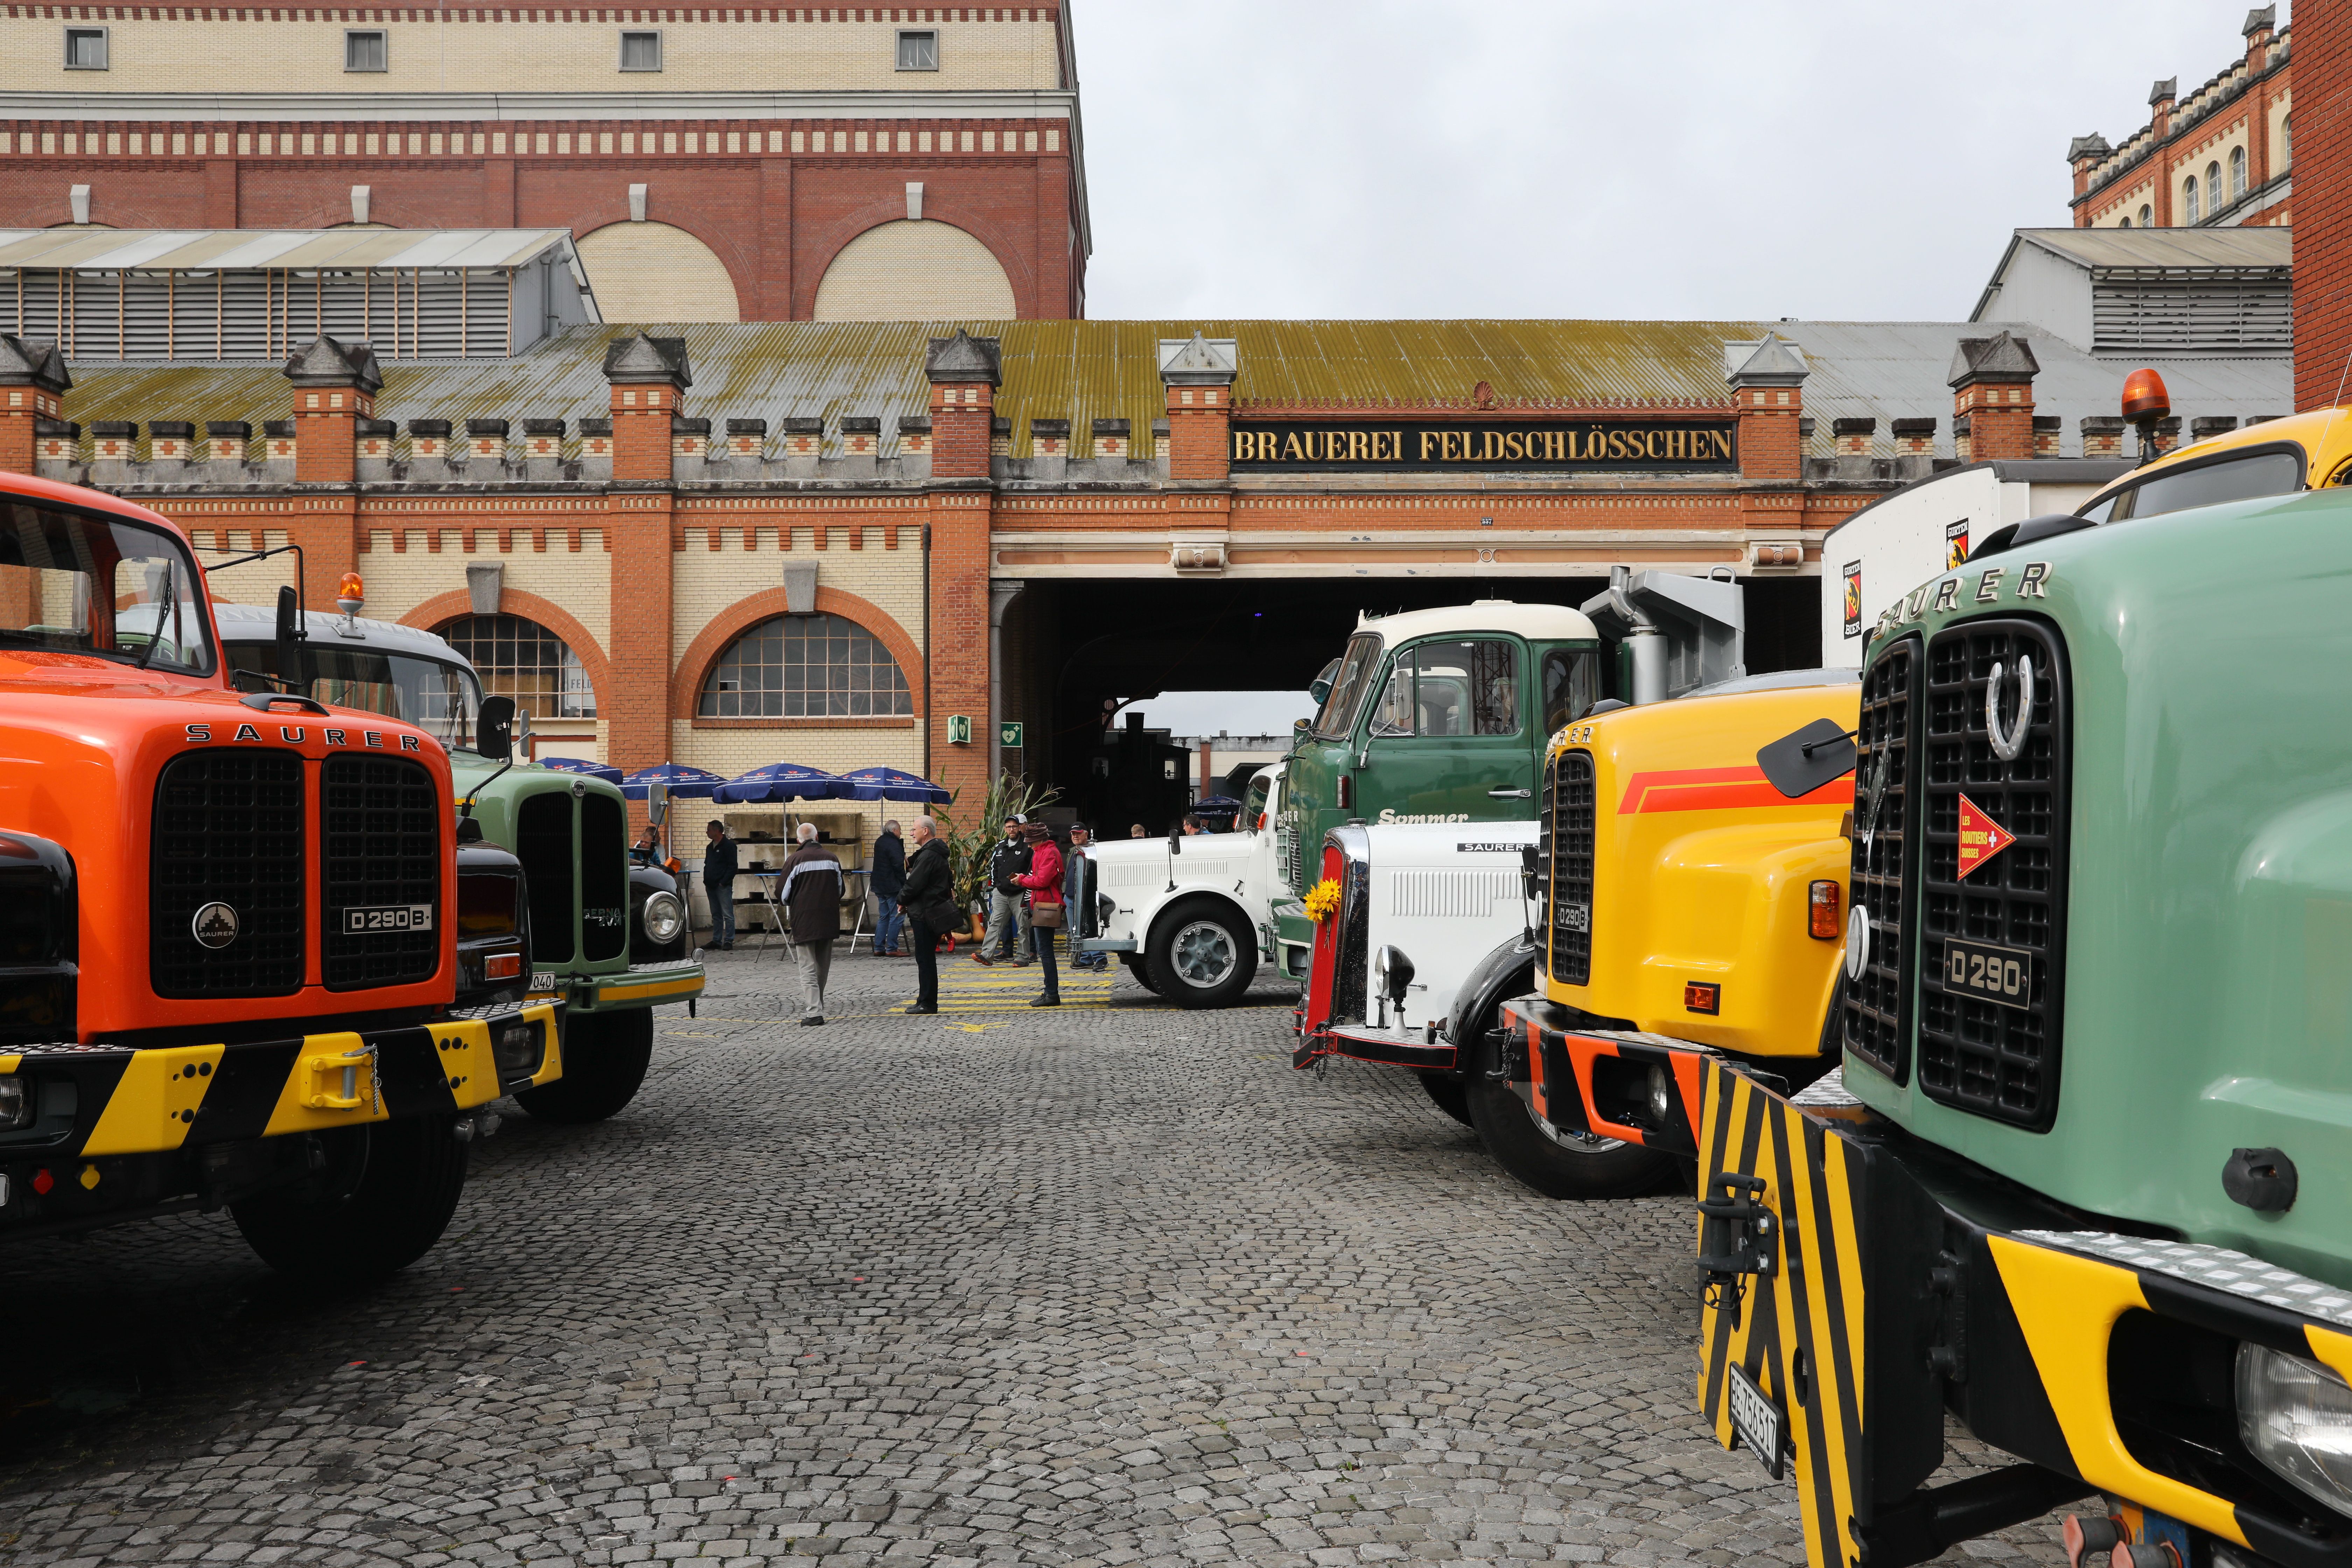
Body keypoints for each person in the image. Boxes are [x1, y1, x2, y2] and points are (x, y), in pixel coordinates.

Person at [779, 821, 842, 1026]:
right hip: (829, 919)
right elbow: (840, 890)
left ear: (799, 841)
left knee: (807, 967)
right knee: (822, 967)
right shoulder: (833, 859)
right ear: (817, 838)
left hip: (804, 920)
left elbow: (782, 894)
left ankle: (814, 1012)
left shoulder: (794, 860)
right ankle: (818, 1005)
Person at [899, 817, 952, 1014]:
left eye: (914, 829)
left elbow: (915, 884)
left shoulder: (930, 855)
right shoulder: (933, 853)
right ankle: (925, 999)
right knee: (925, 957)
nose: (912, 833)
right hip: (928, 910)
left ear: (926, 831)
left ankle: (928, 1003)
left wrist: (901, 899)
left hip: (926, 912)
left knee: (925, 958)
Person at [1014, 820, 1063, 1007]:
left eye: (1031, 841)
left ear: (1040, 840)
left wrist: (1023, 880)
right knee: (1045, 951)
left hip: (1046, 906)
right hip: (1041, 905)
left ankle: (1052, 994)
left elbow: (1042, 881)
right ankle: (1050, 992)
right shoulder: (1042, 852)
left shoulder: (1048, 853)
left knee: (1045, 952)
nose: (1028, 844)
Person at [976, 814, 1032, 967]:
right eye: (1009, 827)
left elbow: (1033, 868)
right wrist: (995, 886)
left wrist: (1028, 886)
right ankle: (987, 955)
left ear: (1019, 827)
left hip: (1020, 893)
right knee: (995, 924)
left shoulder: (1028, 846)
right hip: (1001, 893)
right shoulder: (1000, 846)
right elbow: (994, 867)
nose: (1012, 829)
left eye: (1014, 826)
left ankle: (1023, 957)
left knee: (1023, 927)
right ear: (1005, 829)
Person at [1065, 823, 1108, 972]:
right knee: (1075, 931)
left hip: (1085, 897)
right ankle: (1086, 958)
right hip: (1070, 896)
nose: (1075, 836)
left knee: (1088, 928)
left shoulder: (1092, 851)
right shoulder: (1074, 851)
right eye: (1073, 834)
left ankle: (1100, 957)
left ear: (1086, 835)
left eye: (1078, 833)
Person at [870, 818, 906, 958]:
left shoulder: (880, 841)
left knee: (883, 917)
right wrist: (904, 884)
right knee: (897, 916)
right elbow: (898, 866)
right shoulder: (894, 844)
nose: (901, 832)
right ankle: (892, 947)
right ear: (894, 830)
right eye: (900, 830)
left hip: (879, 885)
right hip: (892, 886)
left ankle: (879, 947)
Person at [701, 819, 738, 951]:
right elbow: (707, 864)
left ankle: (729, 940)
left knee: (727, 914)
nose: (707, 832)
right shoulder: (710, 847)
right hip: (710, 885)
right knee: (716, 914)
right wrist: (706, 880)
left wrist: (724, 882)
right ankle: (717, 940)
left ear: (717, 831)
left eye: (709, 829)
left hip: (722, 886)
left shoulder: (729, 846)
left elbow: (733, 867)